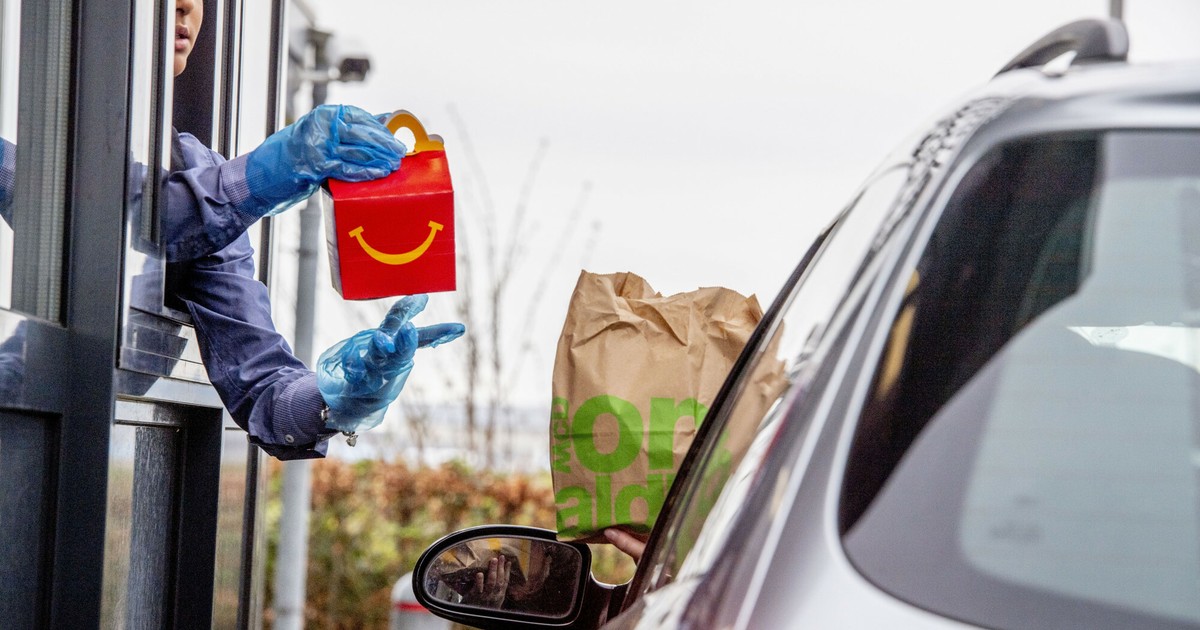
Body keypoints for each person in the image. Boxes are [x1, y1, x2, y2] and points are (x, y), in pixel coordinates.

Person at [0, 0, 464, 458]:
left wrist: (339, 395)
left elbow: (263, 390)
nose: (183, 6)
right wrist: (264, 176)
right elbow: (85, 208)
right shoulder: (23, 134)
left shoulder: (190, 167)